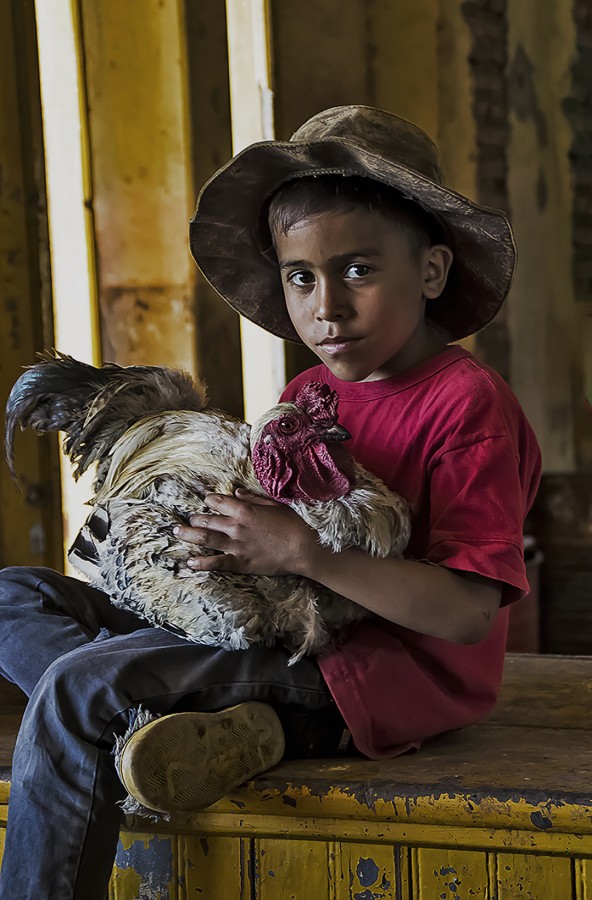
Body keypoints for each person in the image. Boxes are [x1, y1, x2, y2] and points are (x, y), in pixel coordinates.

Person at [0, 105, 541, 900]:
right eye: (301, 277)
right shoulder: (309, 390)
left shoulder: (466, 406)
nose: (327, 306)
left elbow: (465, 614)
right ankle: (154, 726)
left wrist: (303, 553)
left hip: (373, 675)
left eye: (358, 270)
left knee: (79, 687)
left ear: (430, 271)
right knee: (12, 595)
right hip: (272, 629)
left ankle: (126, 731)